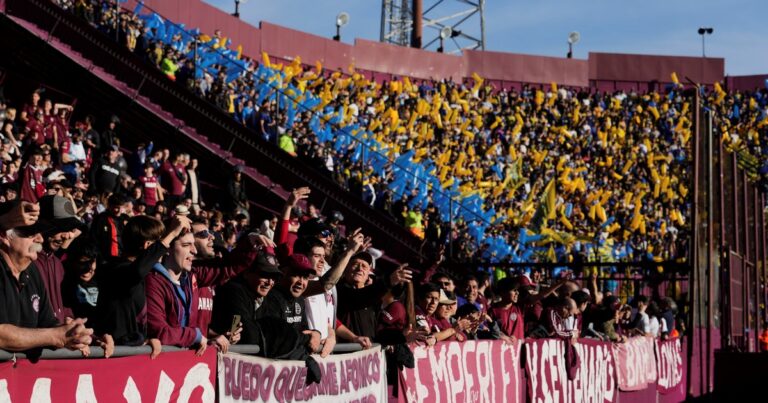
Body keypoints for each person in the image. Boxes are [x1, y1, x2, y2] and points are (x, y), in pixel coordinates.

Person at [0, 200, 93, 353]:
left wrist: (71, 333)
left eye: (40, 233)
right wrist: (54, 336)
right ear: (5, 236)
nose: (40, 239)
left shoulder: (32, 270)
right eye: (31, 233)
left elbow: (47, 322)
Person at [145, 222, 243, 354]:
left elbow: (231, 266)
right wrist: (195, 336)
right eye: (186, 245)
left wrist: (209, 340)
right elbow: (160, 332)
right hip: (161, 362)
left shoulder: (190, 278)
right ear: (167, 248)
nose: (194, 250)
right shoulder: (153, 281)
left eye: (193, 244)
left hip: (188, 360)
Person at [95, 214, 190, 345]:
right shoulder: (116, 270)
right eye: (161, 245)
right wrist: (172, 234)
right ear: (148, 245)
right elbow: (137, 271)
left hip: (132, 350)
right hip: (115, 351)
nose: (166, 251)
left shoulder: (140, 273)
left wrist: (145, 341)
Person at [35, 195, 84, 323]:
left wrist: (70, 321)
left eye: (70, 229)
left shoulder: (58, 264)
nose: (67, 236)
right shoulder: (25, 263)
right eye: (62, 228)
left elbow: (63, 308)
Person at [489, 277, 525, 343]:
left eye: (517, 290)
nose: (517, 293)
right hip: (502, 348)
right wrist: (502, 336)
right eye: (514, 290)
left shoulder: (520, 307)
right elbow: (489, 331)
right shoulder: (493, 311)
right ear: (503, 292)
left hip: (520, 348)